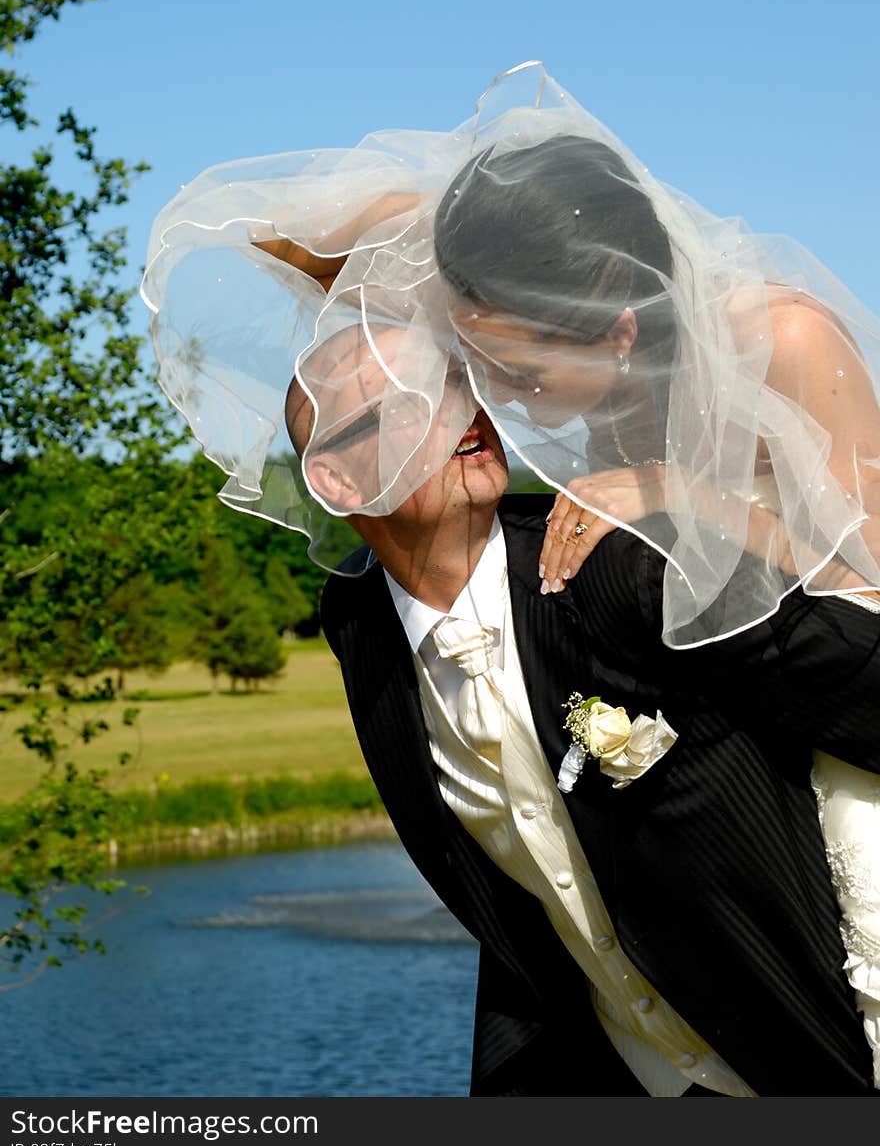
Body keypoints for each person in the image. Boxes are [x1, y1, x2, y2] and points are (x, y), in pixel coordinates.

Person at [286, 320, 880, 1097]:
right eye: (404, 403)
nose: (460, 413)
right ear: (337, 483)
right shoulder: (358, 621)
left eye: (455, 384)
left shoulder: (626, 561)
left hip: (815, 1057)